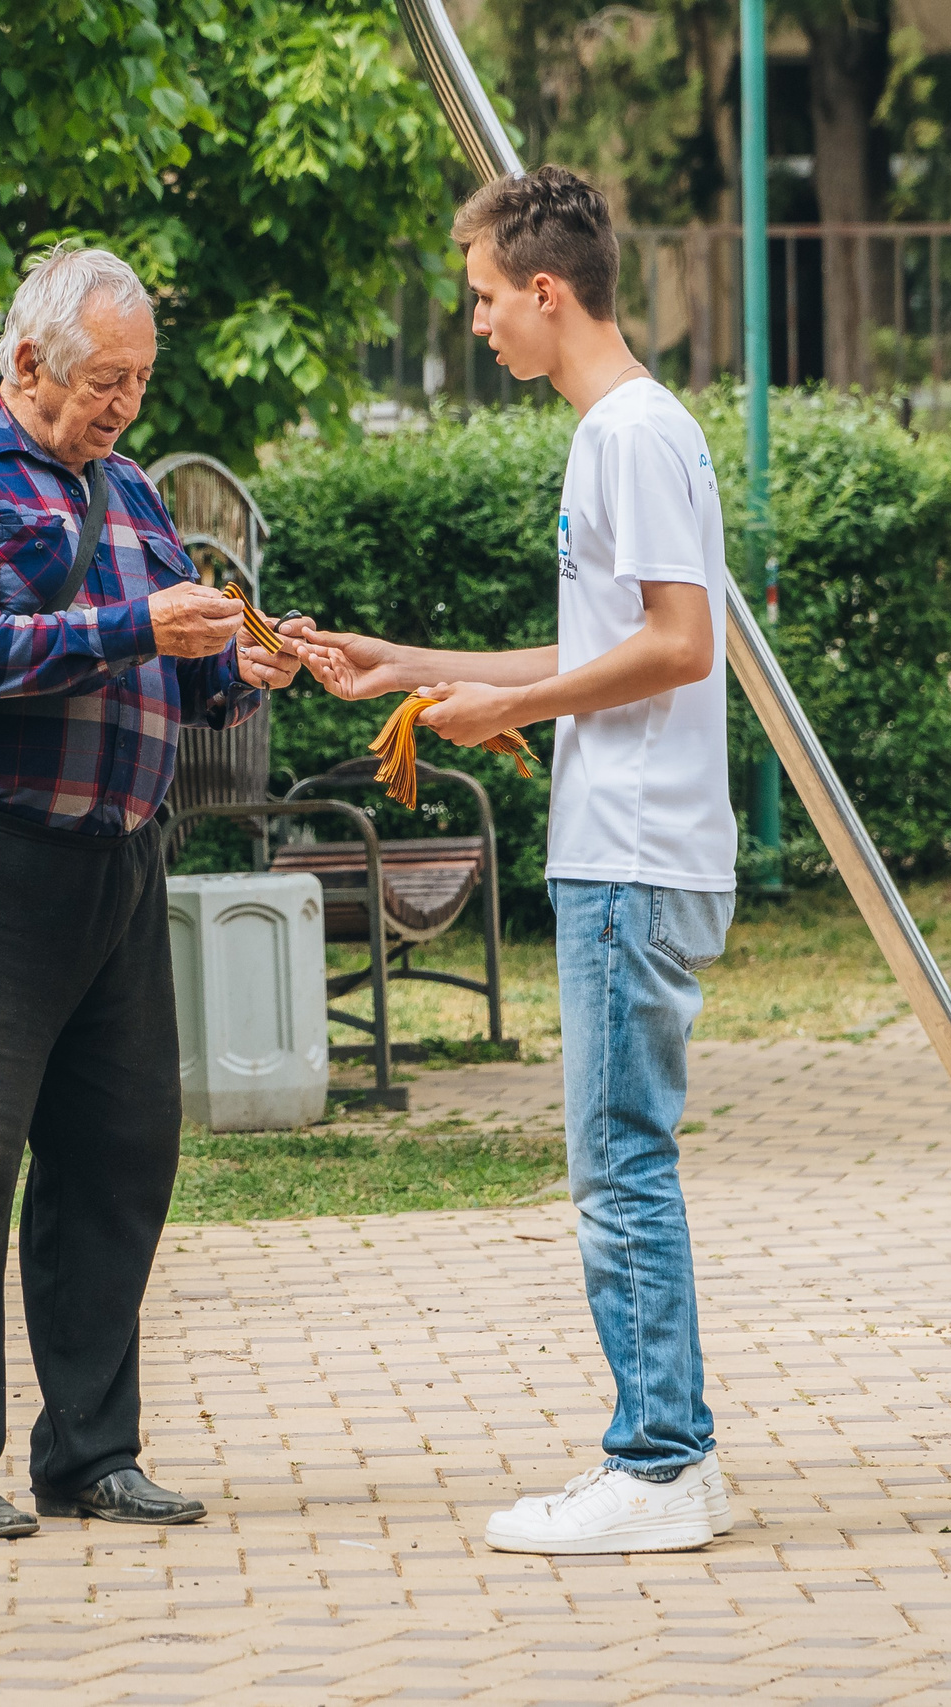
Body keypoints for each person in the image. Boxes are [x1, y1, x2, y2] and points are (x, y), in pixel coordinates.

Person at [296, 167, 738, 1555]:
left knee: (619, 1164)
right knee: (622, 1156)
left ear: (547, 291)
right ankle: (670, 1459)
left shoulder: (626, 436)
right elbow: (592, 652)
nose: (475, 322)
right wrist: (408, 668)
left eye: (485, 296)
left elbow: (681, 645)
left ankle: (660, 1466)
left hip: (636, 857)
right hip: (633, 851)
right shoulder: (624, 432)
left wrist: (507, 715)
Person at [0, 245, 302, 1539]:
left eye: (140, 382)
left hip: (122, 858)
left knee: (118, 1168)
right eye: (106, 378)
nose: (124, 406)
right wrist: (133, 630)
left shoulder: (131, 495)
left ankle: (91, 1452)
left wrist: (247, 667)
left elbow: (182, 674)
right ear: (26, 362)